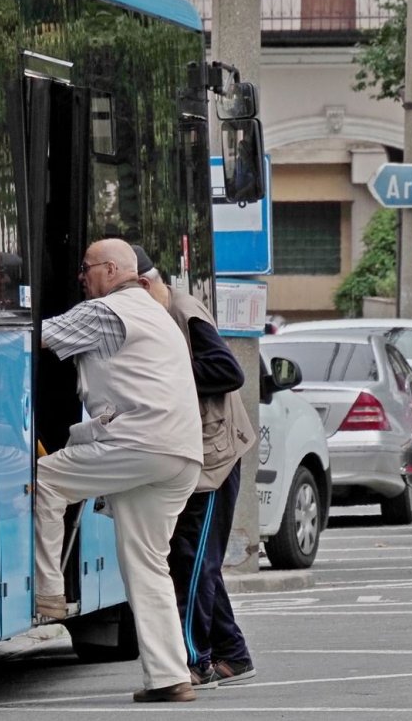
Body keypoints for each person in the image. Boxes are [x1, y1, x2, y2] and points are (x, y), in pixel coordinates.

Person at [35, 238, 204, 703]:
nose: (81, 278)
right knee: (148, 565)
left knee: (46, 480)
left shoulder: (108, 311)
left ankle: (48, 591)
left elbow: (35, 335)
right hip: (181, 455)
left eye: (86, 269)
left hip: (141, 443)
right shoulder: (155, 312)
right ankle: (171, 677)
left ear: (111, 270)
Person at [132, 245, 257, 689]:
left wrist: (168, 370)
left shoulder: (183, 313)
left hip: (213, 460)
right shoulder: (162, 313)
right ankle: (233, 653)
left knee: (193, 561)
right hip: (194, 453)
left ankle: (193, 658)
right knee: (193, 558)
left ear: (144, 285)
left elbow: (228, 371)